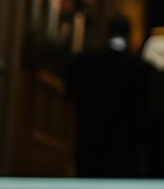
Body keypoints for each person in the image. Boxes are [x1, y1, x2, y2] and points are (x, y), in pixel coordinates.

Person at [64, 13, 153, 177]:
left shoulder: (85, 61)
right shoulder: (141, 69)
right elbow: (146, 111)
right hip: (125, 147)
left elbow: (69, 95)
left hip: (89, 143)